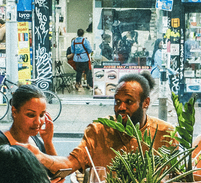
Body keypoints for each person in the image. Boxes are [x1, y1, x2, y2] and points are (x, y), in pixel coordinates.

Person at [40, 71, 174, 173]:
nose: (121, 107)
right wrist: (42, 149)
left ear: (146, 103)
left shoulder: (165, 133)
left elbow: (178, 179)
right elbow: (66, 167)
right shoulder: (98, 132)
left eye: (129, 102)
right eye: (117, 101)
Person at [0, 85, 63, 183]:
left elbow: (57, 173)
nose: (38, 121)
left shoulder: (35, 141)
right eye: (31, 115)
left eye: (42, 115)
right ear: (14, 111)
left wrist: (48, 142)